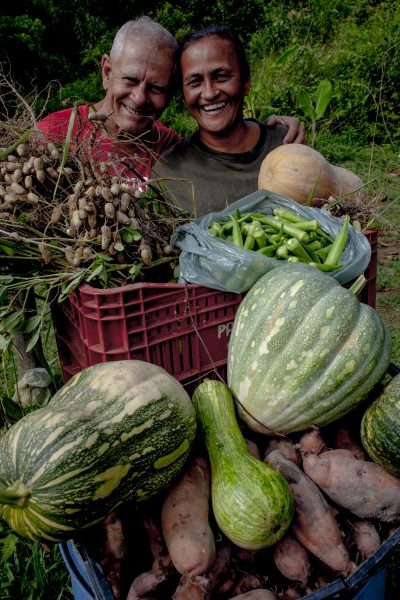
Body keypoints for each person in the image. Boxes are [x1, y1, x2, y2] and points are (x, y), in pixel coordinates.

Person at [38, 17, 304, 193]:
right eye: (130, 80)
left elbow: (224, 148)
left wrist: (274, 133)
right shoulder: (53, 133)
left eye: (156, 87)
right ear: (107, 72)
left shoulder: (170, 150)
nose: (139, 98)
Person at [151, 25, 305, 216]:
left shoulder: (287, 143)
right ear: (184, 95)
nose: (209, 93)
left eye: (221, 77)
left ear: (246, 82)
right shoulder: (168, 175)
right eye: (195, 82)